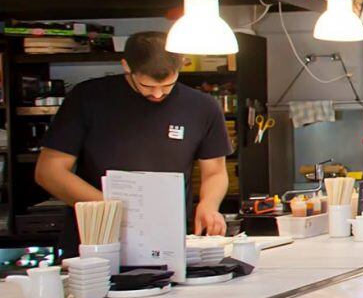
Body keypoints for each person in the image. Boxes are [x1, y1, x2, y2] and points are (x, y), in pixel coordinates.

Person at [36, 30, 232, 236]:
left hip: (166, 234)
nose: (158, 94)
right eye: (147, 85)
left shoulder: (202, 106)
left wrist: (209, 205)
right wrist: (113, 210)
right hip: (96, 233)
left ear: (181, 65)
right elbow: (50, 172)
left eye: (167, 85)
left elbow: (215, 172)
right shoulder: (88, 98)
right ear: (126, 66)